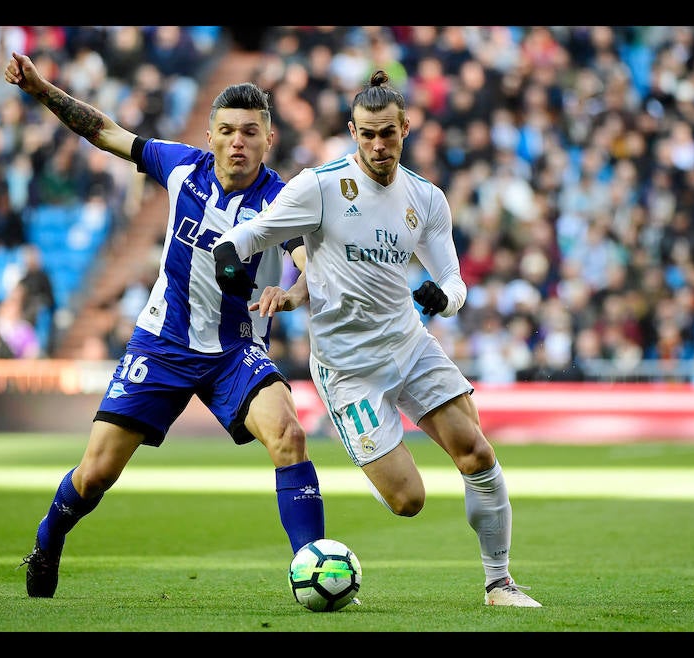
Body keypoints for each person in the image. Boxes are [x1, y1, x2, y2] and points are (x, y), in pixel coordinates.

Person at [213, 70, 541, 607]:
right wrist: (230, 252)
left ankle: (499, 583)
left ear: (406, 128)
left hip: (409, 346)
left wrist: (446, 298)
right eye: (366, 134)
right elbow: (257, 231)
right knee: (408, 501)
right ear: (351, 130)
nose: (377, 144)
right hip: (347, 369)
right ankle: (366, 450)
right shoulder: (320, 186)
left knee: (477, 454)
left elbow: (454, 280)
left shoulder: (427, 199)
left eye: (387, 132)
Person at [4, 51, 325, 598]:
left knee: (290, 435)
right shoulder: (180, 167)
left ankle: (315, 568)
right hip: (162, 344)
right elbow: (104, 130)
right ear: (210, 135)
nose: (238, 142)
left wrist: (290, 294)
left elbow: (306, 265)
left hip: (235, 351)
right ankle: (47, 540)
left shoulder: (281, 201)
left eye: (250, 131)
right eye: (227, 131)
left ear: (268, 140)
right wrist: (41, 90)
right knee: (96, 473)